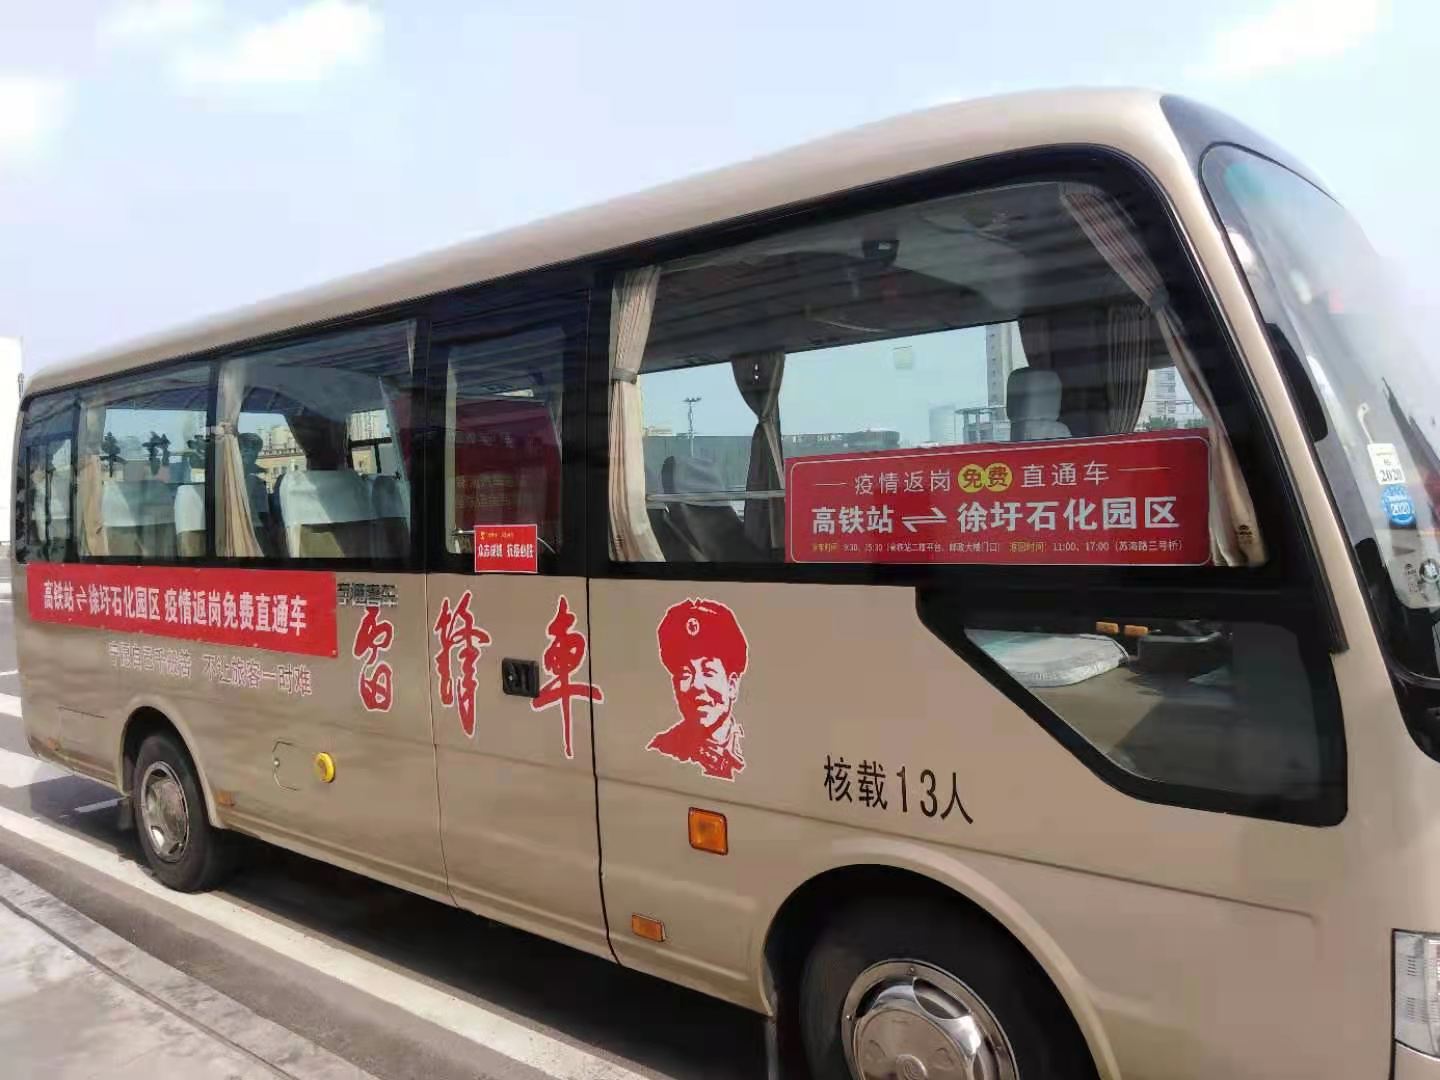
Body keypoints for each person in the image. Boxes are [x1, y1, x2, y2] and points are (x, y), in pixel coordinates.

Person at [648, 599, 749, 780]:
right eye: (685, 673)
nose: (696, 685)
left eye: (708, 672)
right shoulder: (662, 751)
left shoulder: (757, 747)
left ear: (732, 685)